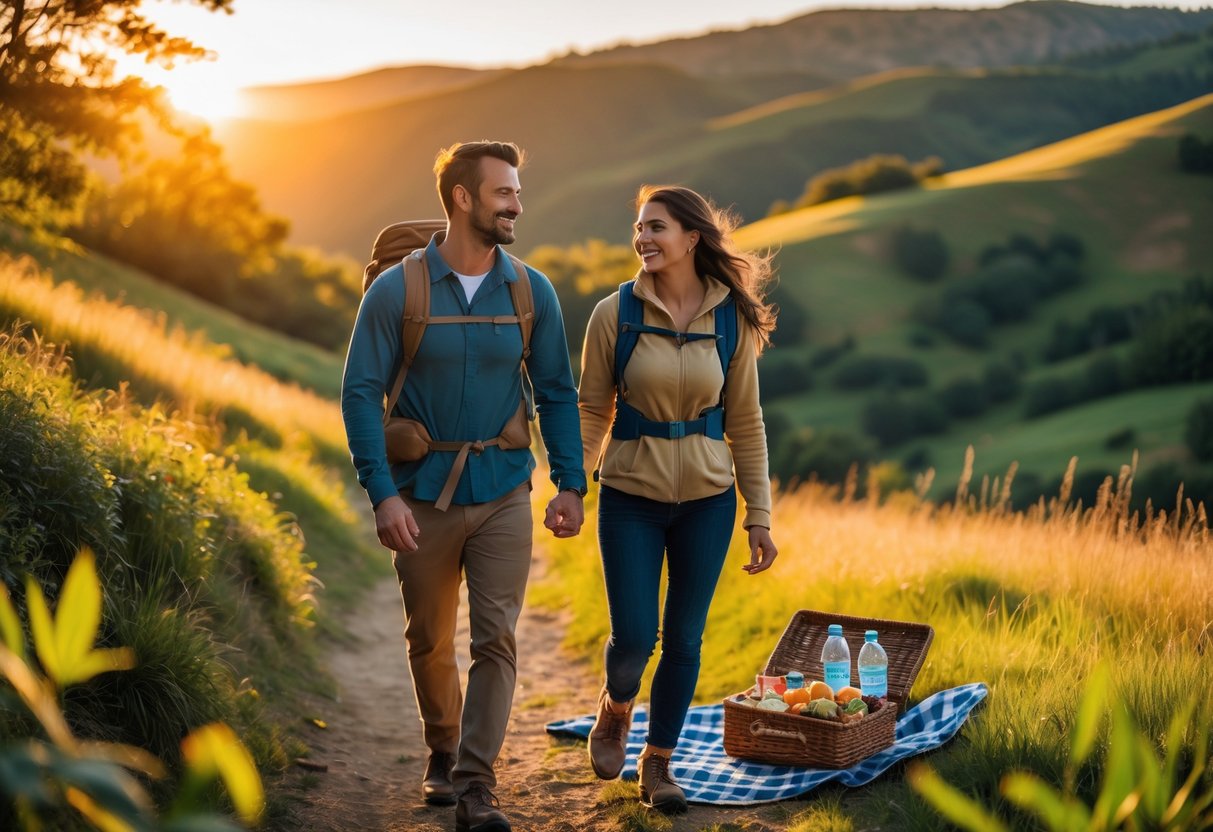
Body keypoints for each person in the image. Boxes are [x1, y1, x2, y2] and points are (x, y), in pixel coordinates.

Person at [341, 140, 586, 832]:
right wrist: (381, 493)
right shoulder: (399, 291)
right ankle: (441, 748)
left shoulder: (530, 290)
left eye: (516, 192)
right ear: (462, 198)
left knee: (496, 640)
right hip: (420, 493)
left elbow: (558, 392)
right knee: (428, 637)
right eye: (503, 192)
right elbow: (360, 394)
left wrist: (570, 483)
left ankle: (479, 786)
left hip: (506, 488)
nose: (515, 204)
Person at [577, 184, 779, 814]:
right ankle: (616, 709)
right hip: (630, 495)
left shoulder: (731, 321)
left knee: (685, 640)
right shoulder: (616, 314)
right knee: (635, 635)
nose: (643, 239)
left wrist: (759, 517)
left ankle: (657, 763)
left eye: (656, 227)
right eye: (638, 228)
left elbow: (745, 422)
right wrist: (570, 485)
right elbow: (591, 408)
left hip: (709, 500)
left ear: (692, 239)